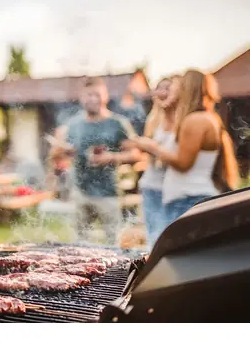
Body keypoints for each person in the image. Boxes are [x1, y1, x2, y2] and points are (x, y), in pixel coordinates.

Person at [127, 70, 240, 224]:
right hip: (189, 197)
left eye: (174, 86)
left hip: (187, 199)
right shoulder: (206, 117)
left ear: (187, 88)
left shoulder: (194, 120)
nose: (172, 90)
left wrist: (152, 147)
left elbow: (183, 163)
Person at [50, 77, 142, 245]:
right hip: (80, 193)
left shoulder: (118, 123)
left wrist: (111, 157)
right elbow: (56, 155)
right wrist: (62, 150)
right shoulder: (73, 124)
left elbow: (136, 154)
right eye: (88, 95)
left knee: (113, 244)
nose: (92, 99)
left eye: (96, 94)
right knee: (80, 245)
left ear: (105, 96)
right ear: (81, 97)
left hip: (109, 193)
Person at [134, 75, 181, 248]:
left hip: (174, 189)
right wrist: (143, 146)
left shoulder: (185, 122)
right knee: (153, 238)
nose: (162, 92)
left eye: (167, 88)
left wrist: (153, 147)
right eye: (159, 88)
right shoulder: (153, 120)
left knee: (172, 238)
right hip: (151, 186)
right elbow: (148, 154)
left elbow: (182, 159)